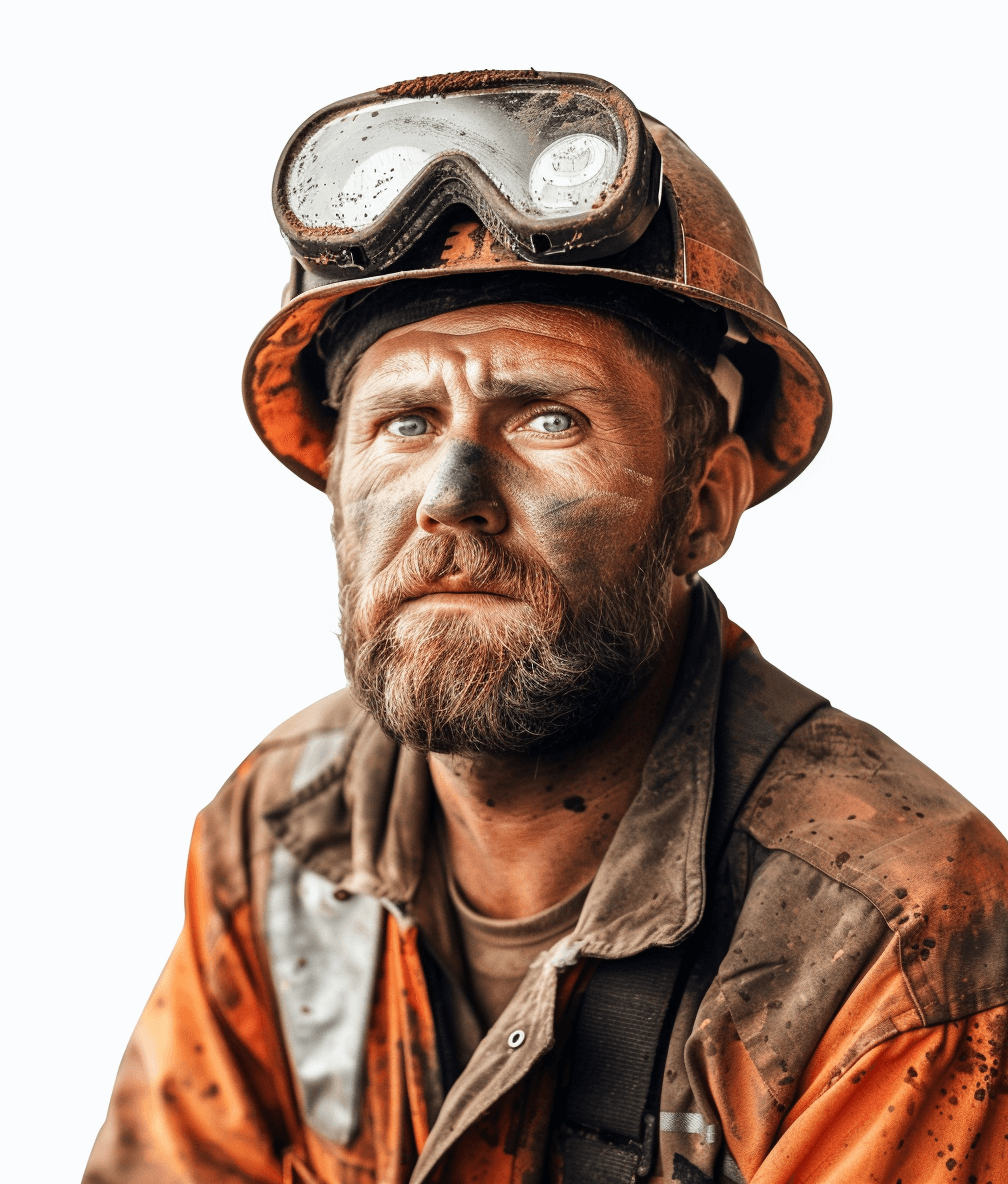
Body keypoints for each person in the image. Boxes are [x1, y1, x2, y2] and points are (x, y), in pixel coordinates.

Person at [84, 71, 1008, 1184]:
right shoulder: (284, 827)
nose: (451, 492)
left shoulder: (901, 940)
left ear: (703, 505)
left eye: (549, 416)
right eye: (405, 421)